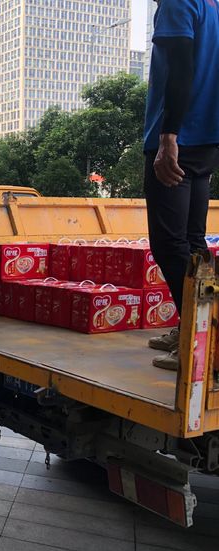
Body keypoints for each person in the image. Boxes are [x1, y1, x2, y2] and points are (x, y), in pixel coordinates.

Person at [143, 0, 219, 371]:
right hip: (206, 139)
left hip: (180, 139)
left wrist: (168, 135)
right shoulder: (212, 6)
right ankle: (194, 327)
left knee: (169, 243)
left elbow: (181, 68)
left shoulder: (178, 2)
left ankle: (203, 339)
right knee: (192, 241)